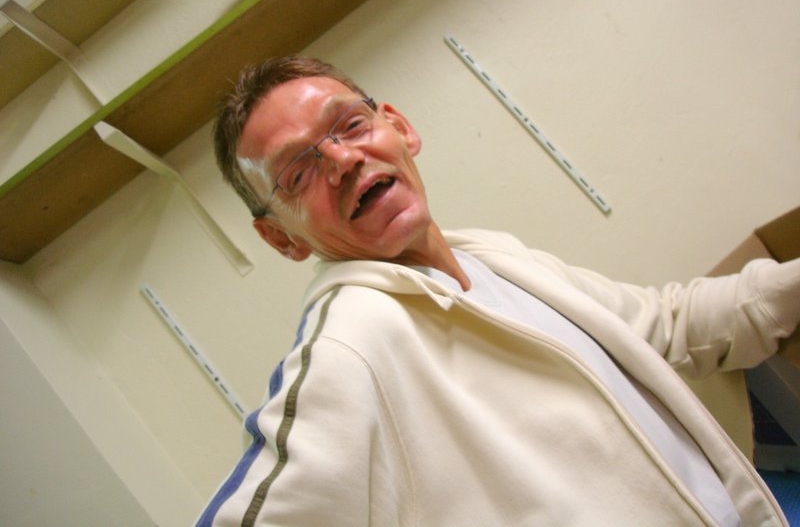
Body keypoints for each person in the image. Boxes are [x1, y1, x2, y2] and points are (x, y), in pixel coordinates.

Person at [198, 56, 800, 526]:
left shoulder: (493, 259)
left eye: (350, 125)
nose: (343, 160)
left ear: (399, 128)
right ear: (281, 238)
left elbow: (667, 325)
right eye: (298, 172)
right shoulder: (351, 344)